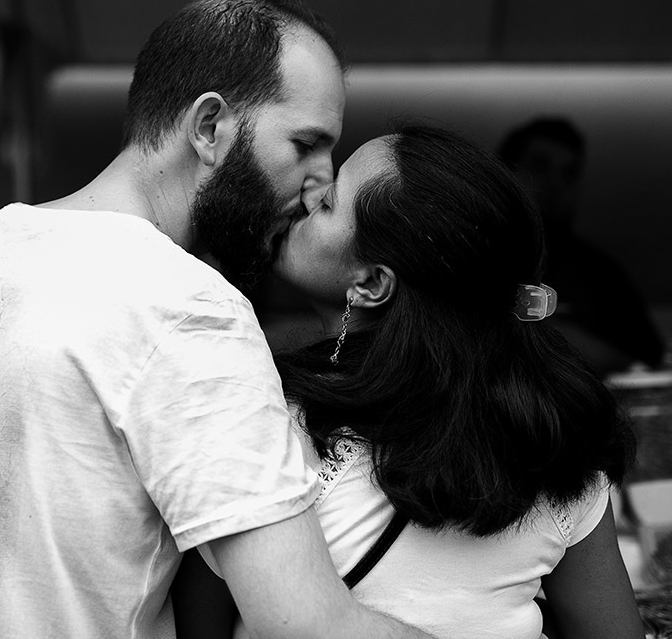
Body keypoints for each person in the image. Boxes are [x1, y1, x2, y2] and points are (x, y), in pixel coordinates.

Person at [0, 0, 433, 639]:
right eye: (305, 143)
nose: (319, 182)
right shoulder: (186, 309)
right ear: (211, 127)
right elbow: (305, 626)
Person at [173, 121, 645, 639]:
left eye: (330, 202)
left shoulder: (272, 426)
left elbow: (200, 624)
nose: (309, 194)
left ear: (372, 283)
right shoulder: (554, 442)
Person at [498, 116, 665, 376]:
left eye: (569, 173)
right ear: (503, 172)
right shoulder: (472, 256)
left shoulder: (597, 272)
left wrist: (562, 340)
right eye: (540, 167)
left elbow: (649, 361)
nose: (556, 184)